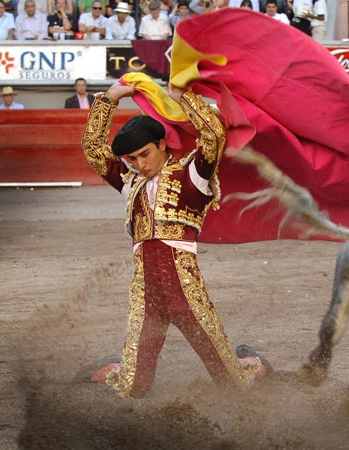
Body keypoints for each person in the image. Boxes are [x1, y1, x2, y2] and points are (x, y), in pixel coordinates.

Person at [78, 79, 270, 397]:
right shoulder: (130, 182)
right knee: (134, 387)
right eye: (132, 159)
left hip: (187, 296)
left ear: (162, 144)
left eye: (144, 154)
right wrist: (109, 98)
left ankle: (254, 364)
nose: (140, 165)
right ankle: (116, 365)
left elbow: (214, 136)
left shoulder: (192, 174)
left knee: (232, 382)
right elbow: (93, 150)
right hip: (146, 295)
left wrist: (184, 97)